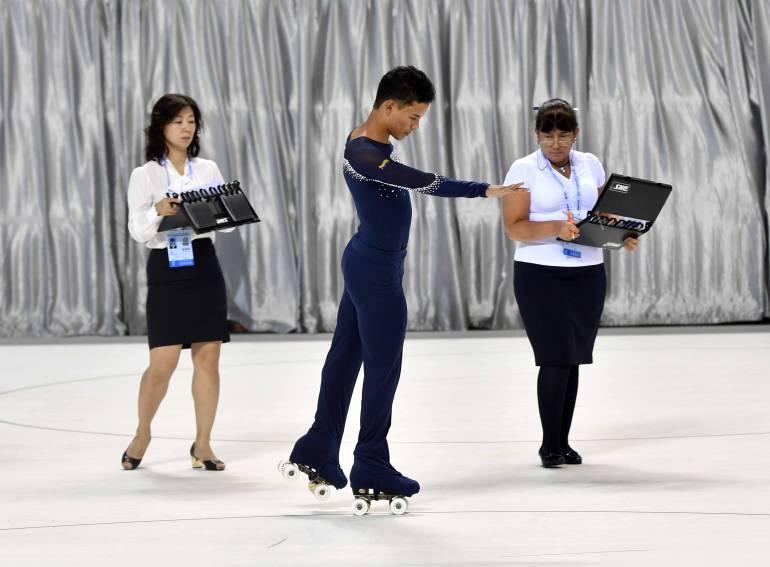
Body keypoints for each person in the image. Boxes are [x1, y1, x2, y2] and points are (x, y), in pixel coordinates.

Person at [284, 66, 524, 500]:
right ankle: (371, 463)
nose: (416, 126)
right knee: (383, 366)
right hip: (374, 273)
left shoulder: (372, 142)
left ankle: (319, 446)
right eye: (413, 117)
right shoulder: (363, 152)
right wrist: (482, 190)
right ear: (389, 106)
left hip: (372, 264)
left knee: (345, 359)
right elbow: (420, 181)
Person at [501, 98, 639, 468]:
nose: (556, 143)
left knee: (573, 358)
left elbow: (602, 215)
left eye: (564, 135)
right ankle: (549, 445)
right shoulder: (523, 169)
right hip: (540, 273)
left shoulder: (590, 164)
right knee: (555, 358)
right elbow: (514, 227)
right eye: (548, 135)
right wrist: (555, 229)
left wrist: (622, 234)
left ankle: (563, 441)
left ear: (576, 134)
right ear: (537, 134)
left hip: (587, 272)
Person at [121, 94, 233, 471]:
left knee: (209, 360)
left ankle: (203, 445)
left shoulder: (207, 168)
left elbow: (228, 220)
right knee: (162, 364)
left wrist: (212, 212)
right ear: (161, 127)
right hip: (167, 265)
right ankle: (142, 432)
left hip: (204, 264)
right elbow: (137, 231)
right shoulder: (146, 174)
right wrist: (158, 209)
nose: (186, 128)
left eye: (191, 121)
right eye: (178, 121)